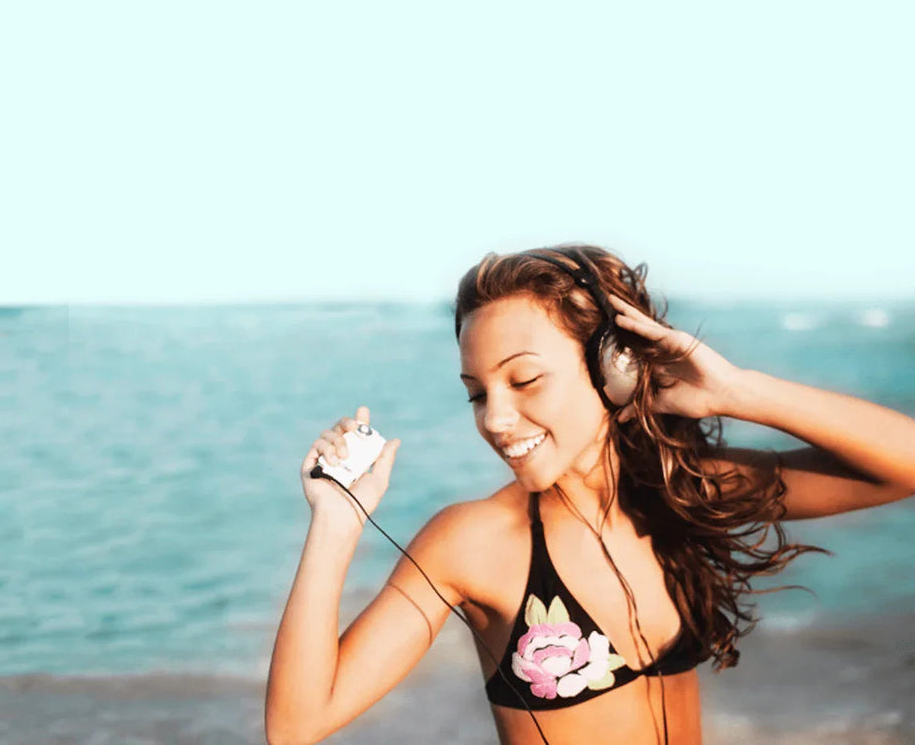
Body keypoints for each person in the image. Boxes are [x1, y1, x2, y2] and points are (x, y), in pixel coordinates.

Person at [265, 244, 915, 745]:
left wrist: (737, 391)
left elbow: (904, 467)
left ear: (615, 371)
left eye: (524, 380)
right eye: (476, 392)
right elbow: (297, 723)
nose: (494, 418)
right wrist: (336, 523)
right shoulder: (475, 543)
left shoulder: (680, 491)